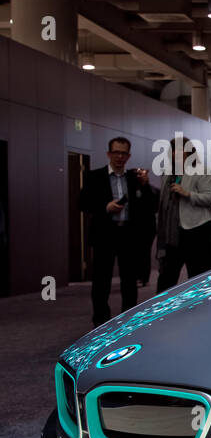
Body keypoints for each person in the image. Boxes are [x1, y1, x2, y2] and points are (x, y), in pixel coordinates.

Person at [78, 137, 156, 327]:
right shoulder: (94, 176)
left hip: (128, 235)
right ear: (108, 154)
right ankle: (100, 322)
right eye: (116, 152)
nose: (120, 157)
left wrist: (145, 185)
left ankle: (128, 322)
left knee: (129, 281)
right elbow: (83, 203)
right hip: (105, 234)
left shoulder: (135, 178)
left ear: (128, 156)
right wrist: (105, 207)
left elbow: (151, 206)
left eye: (123, 153)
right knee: (101, 282)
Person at [156, 136, 211, 291]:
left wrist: (187, 194)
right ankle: (163, 314)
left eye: (179, 150)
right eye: (173, 150)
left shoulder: (201, 171)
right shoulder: (167, 173)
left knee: (198, 278)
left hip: (197, 231)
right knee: (166, 279)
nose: (175, 154)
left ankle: (200, 313)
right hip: (173, 232)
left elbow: (210, 198)